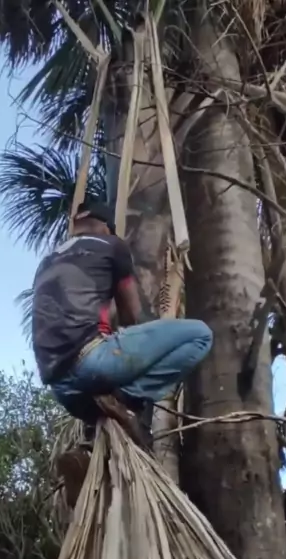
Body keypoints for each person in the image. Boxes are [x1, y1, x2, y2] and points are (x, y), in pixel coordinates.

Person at [31, 201, 213, 504]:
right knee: (200, 335)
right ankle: (127, 398)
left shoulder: (46, 262)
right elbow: (131, 315)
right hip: (93, 363)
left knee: (98, 412)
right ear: (105, 227)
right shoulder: (111, 245)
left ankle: (87, 456)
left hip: (62, 389)